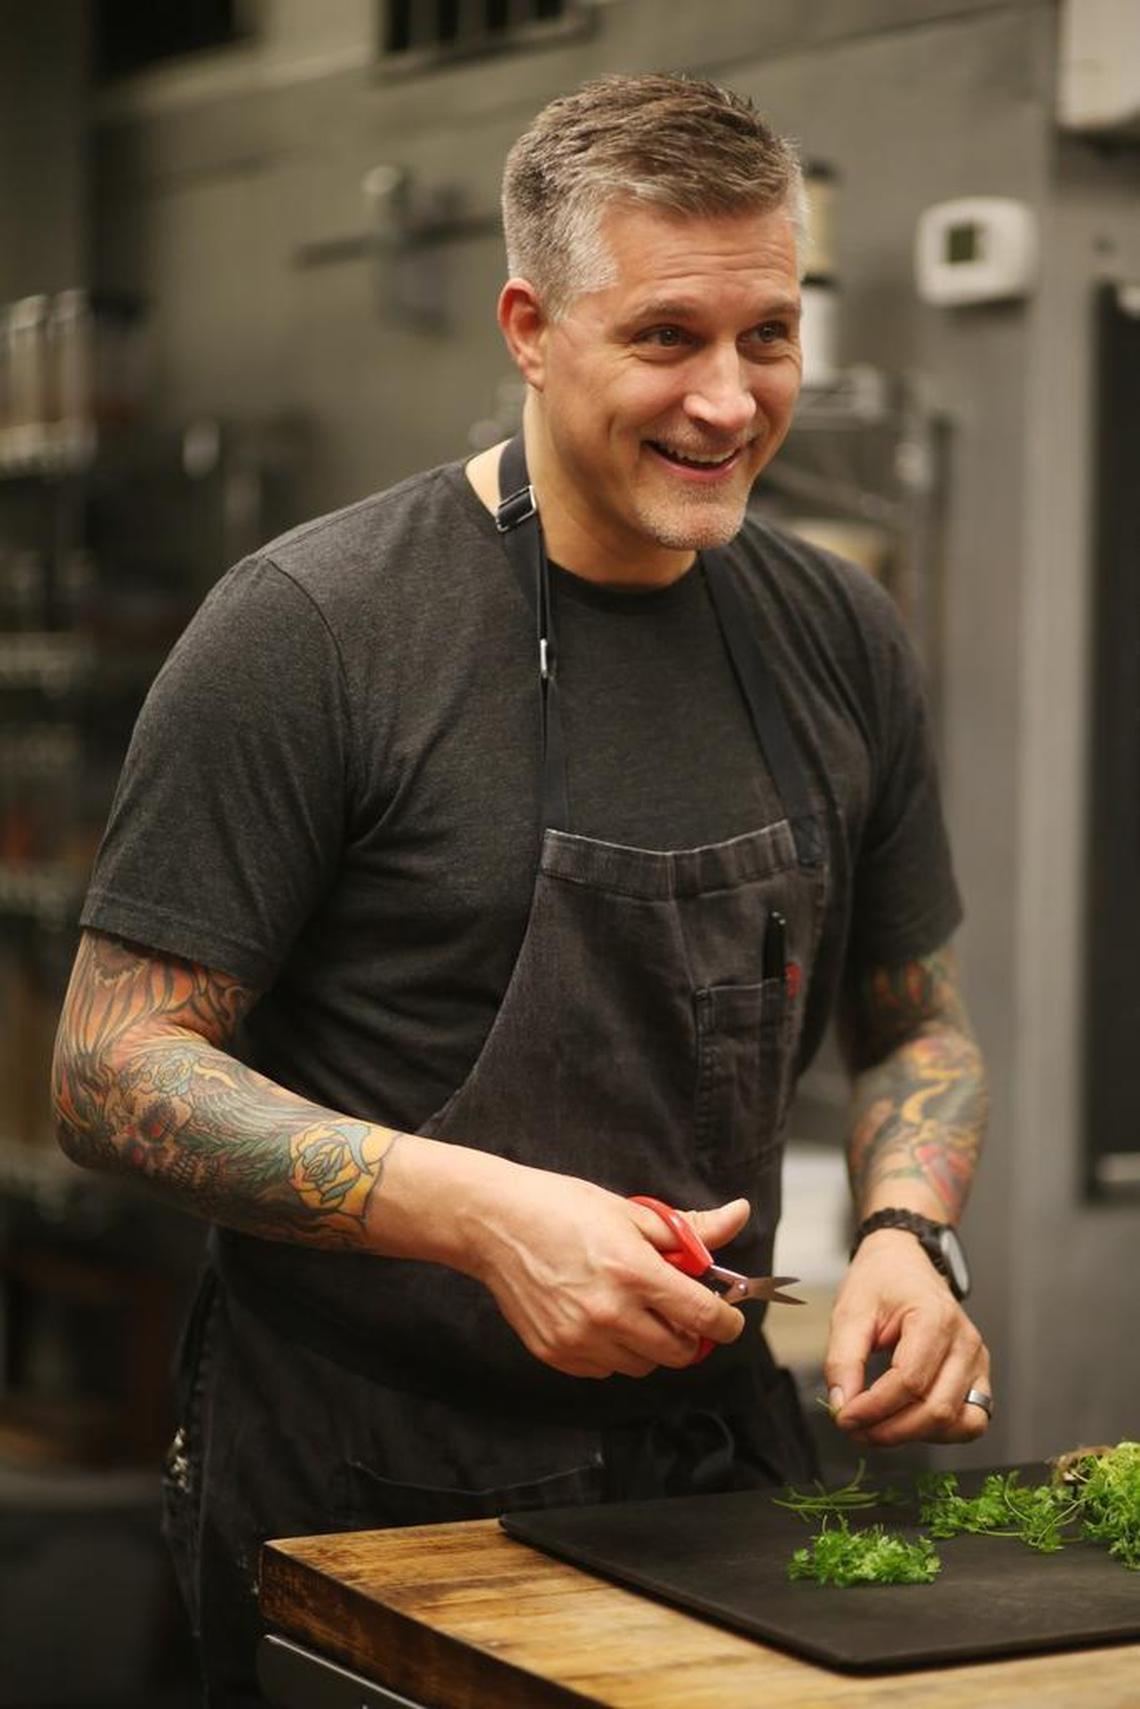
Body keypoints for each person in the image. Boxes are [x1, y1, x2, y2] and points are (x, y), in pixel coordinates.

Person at [51, 72, 991, 1705]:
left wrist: (916, 1234)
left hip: (713, 1480)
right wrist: (484, 1217)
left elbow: (917, 1019)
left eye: (767, 335)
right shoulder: (318, 630)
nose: (728, 401)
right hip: (371, 1495)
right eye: (665, 339)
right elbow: (111, 1070)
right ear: (529, 325)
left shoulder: (836, 635)